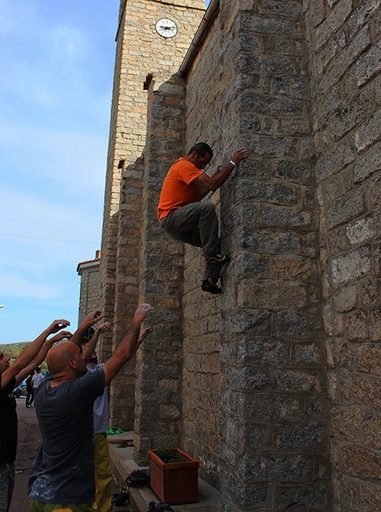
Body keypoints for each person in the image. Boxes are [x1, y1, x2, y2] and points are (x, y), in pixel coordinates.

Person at [28, 304, 154, 512]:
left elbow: (63, 356)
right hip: (65, 501)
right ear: (71, 363)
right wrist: (135, 322)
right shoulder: (78, 392)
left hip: (39, 494)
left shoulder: (42, 389)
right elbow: (120, 357)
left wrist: (85, 326)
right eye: (80, 356)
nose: (84, 357)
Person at [158, 142, 249, 294]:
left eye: (205, 164)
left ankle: (209, 280)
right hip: (171, 218)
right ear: (193, 154)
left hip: (176, 225)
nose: (202, 167)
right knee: (207, 208)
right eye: (201, 162)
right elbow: (212, 185)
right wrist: (233, 162)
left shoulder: (188, 172)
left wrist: (211, 181)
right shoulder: (184, 166)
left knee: (213, 242)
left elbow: (199, 195)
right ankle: (211, 254)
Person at [0, 319, 71, 512]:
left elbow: (30, 365)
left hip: (6, 462)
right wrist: (48, 331)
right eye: (1, 357)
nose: (7, 359)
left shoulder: (5, 386)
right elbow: (22, 361)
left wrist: (50, 342)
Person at [82, 322, 112, 512]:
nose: (92, 350)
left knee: (103, 476)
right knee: (83, 477)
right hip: (82, 435)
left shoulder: (102, 370)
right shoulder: (78, 374)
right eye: (86, 345)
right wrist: (97, 333)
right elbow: (83, 358)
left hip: (99, 433)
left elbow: (123, 355)